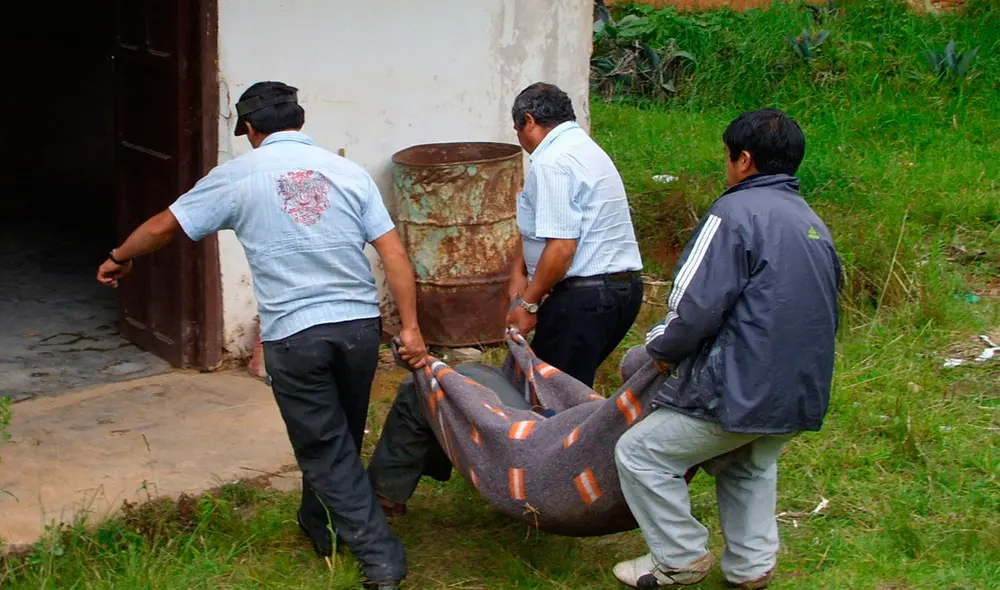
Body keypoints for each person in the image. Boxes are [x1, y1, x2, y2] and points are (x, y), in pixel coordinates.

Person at [96, 81, 425, 590]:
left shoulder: (236, 176)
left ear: (251, 129)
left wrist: (120, 258)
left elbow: (164, 226)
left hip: (296, 336)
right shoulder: (348, 172)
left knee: (325, 448)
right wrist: (409, 327)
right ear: (298, 119)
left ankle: (381, 557)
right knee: (340, 434)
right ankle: (319, 526)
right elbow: (395, 255)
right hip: (359, 329)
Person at [612, 109, 841, 589]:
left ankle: (678, 558)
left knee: (640, 453)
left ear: (743, 159)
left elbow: (693, 308)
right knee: (749, 463)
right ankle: (751, 567)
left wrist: (660, 347)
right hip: (801, 389)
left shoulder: (732, 213)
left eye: (728, 157)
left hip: (741, 387)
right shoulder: (812, 222)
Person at [505, 82, 644, 388]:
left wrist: (528, 304)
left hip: (587, 297)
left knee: (553, 398)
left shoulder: (551, 161)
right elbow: (539, 225)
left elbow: (562, 248)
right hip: (620, 291)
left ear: (528, 121)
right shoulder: (583, 148)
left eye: (517, 129)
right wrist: (519, 271)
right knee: (563, 386)